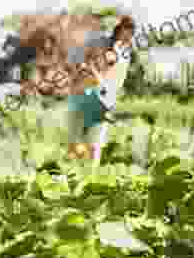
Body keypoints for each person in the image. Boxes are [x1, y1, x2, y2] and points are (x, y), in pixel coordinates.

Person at [17, 9, 136, 165]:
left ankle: (85, 172)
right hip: (87, 97)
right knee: (79, 147)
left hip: (100, 100)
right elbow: (78, 64)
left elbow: (107, 75)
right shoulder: (98, 43)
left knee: (91, 148)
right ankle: (78, 169)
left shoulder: (120, 51)